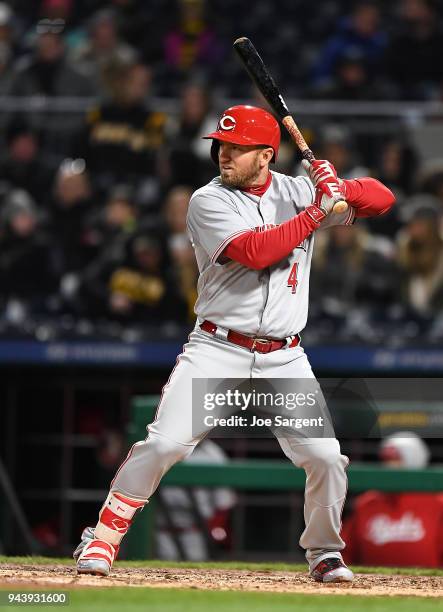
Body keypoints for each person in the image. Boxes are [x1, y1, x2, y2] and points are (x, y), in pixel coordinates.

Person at [73, 105, 395, 582]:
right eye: (221, 145)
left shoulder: (297, 189)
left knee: (326, 456)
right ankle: (102, 536)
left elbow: (383, 199)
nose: (224, 154)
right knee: (163, 445)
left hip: (283, 354)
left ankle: (324, 551)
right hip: (217, 348)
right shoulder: (208, 200)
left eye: (237, 148)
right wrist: (316, 210)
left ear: (266, 155)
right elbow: (256, 250)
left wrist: (340, 187)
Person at [342, 432, 443, 567]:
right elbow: (345, 552)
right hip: (373, 585)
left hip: (428, 584)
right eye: (386, 459)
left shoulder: (437, 503)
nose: (389, 465)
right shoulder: (366, 503)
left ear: (414, 460)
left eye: (396, 459)